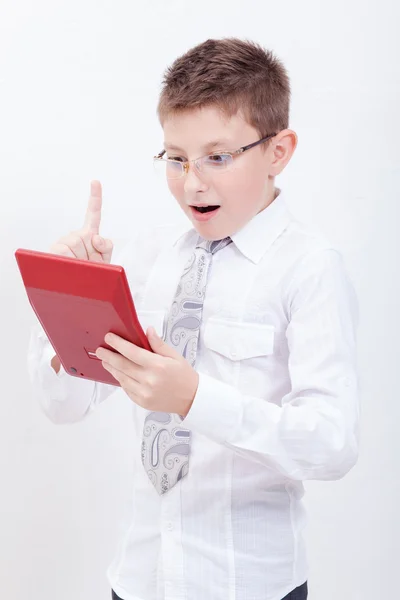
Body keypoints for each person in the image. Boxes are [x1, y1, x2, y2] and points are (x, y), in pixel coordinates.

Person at [27, 38, 360, 600]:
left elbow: (332, 444)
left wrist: (193, 398)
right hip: (140, 578)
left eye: (217, 156)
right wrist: (72, 305)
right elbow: (65, 406)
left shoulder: (309, 268)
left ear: (278, 151)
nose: (192, 182)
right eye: (175, 158)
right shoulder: (150, 257)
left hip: (248, 584)